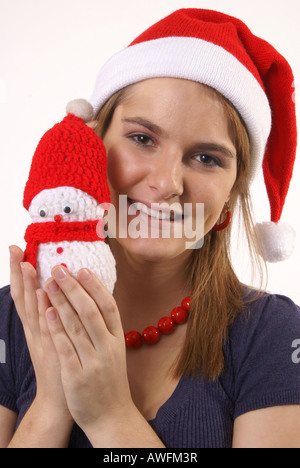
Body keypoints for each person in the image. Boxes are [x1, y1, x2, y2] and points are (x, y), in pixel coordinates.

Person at [0, 8, 300, 449]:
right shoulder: (11, 317)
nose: (166, 184)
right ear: (92, 145)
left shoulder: (271, 334)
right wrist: (52, 403)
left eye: (207, 158)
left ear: (228, 201)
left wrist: (110, 414)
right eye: (142, 139)